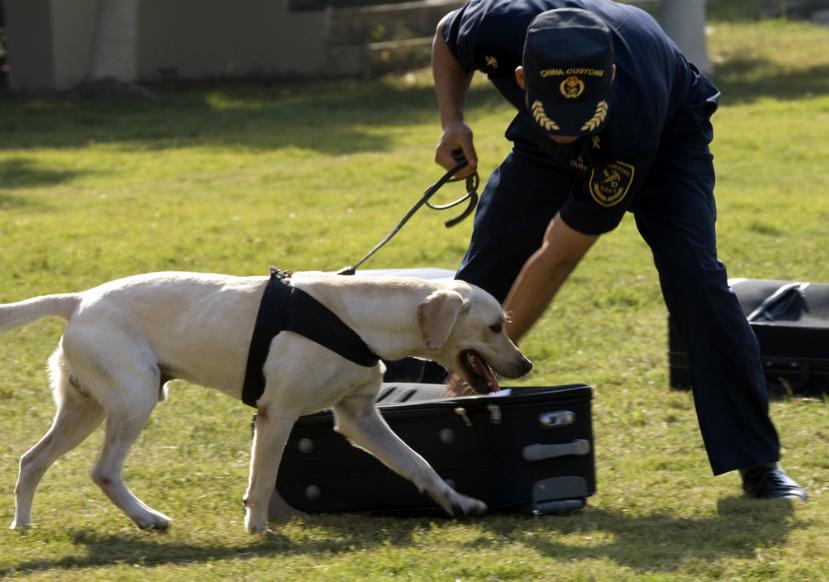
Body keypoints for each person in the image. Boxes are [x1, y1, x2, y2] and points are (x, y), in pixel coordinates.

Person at [430, 0, 807, 500]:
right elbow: (446, 39)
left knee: (695, 281)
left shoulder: (630, 117)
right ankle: (417, 422)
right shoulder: (497, 24)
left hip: (667, 138)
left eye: (580, 114)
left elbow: (557, 256)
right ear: (523, 78)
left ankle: (756, 461)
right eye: (556, 114)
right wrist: (452, 121)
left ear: (607, 77)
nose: (571, 128)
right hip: (538, 150)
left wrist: (492, 353)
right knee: (483, 272)